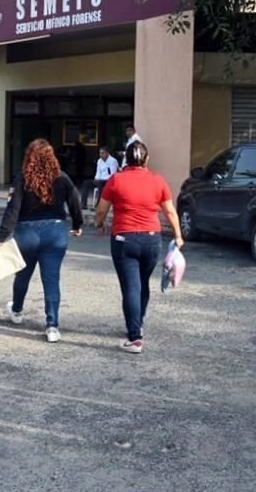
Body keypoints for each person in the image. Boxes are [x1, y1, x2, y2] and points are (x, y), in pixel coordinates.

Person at [94, 140, 184, 354]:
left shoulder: (116, 180)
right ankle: (138, 323)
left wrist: (99, 224)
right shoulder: (157, 180)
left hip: (124, 240)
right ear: (147, 159)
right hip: (151, 240)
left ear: (127, 159)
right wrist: (179, 235)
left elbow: (101, 210)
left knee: (130, 287)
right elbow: (170, 211)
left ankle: (134, 337)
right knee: (142, 283)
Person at [0, 139, 83, 343]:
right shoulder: (63, 178)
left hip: (27, 234)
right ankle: (52, 326)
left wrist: (1, 237)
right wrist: (77, 225)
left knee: (22, 275)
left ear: (29, 158)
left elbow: (13, 210)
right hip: (55, 232)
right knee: (51, 280)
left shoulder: (21, 179)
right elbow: (75, 204)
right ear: (52, 158)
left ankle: (16, 311)